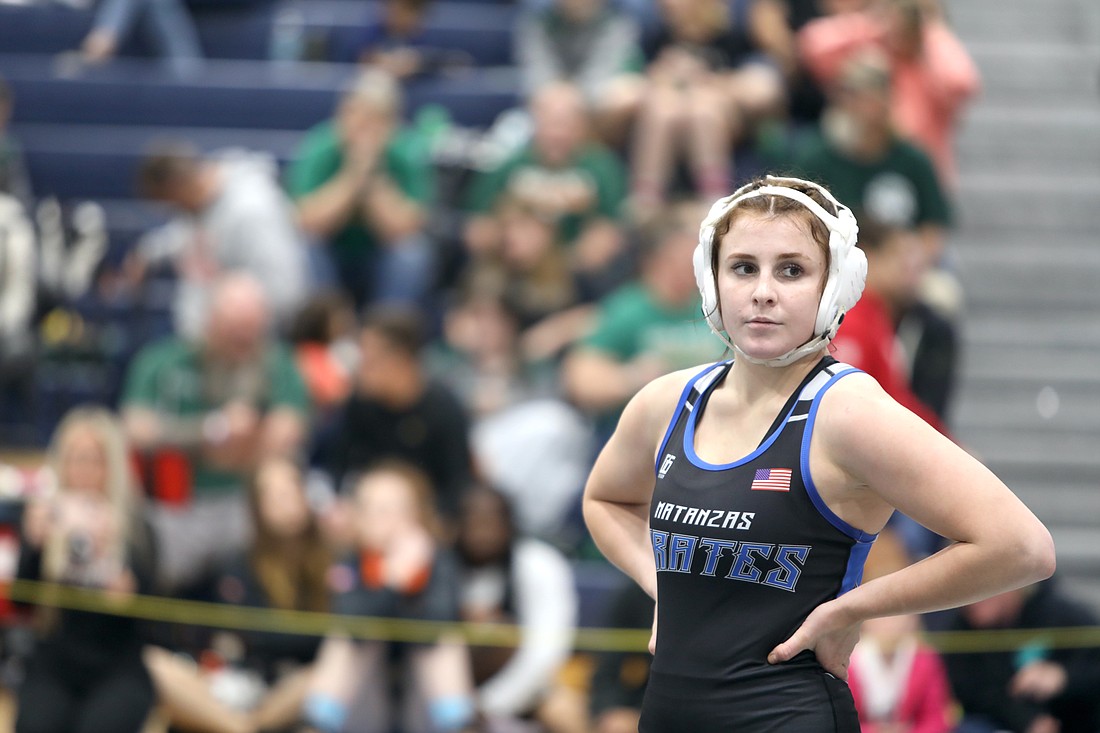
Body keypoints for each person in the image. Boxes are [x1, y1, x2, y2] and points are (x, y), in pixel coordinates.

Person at [581, 174, 1054, 731]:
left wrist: (854, 607)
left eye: (791, 270)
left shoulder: (849, 414)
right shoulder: (668, 402)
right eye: (743, 268)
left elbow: (1022, 548)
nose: (763, 291)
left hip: (789, 715)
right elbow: (605, 500)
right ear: (711, 282)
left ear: (835, 288)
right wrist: (659, 583)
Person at [120, 273, 311, 593]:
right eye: (233, 327)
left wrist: (194, 446)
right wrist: (210, 431)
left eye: (251, 328)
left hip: (245, 502)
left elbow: (286, 433)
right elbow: (135, 429)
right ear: (210, 321)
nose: (243, 338)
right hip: (175, 505)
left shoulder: (279, 364)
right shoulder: (164, 361)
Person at [142, 455, 332, 733]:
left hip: (294, 690)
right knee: (155, 663)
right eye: (274, 495)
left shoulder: (330, 566)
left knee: (327, 671)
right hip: (238, 680)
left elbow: (333, 641)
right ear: (257, 506)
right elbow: (228, 628)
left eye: (291, 490)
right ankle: (243, 727)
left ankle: (249, 726)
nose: (286, 502)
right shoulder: (238, 565)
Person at [14, 407, 158, 733]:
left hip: (118, 666)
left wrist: (129, 592)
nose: (84, 471)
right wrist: (35, 548)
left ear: (113, 467)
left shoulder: (137, 529)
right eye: (76, 459)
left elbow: (157, 623)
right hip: (55, 663)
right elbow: (21, 604)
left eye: (96, 460)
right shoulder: (45, 519)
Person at [304, 462, 476, 733]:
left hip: (423, 703)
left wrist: (414, 574)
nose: (385, 520)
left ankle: (458, 726)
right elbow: (352, 625)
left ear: (416, 513)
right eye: (375, 509)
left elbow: (439, 623)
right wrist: (392, 580)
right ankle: (316, 726)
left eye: (396, 509)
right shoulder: (351, 563)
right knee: (346, 640)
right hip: (364, 703)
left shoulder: (439, 560)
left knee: (446, 642)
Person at [127, 142, 311, 339]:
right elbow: (184, 233)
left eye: (172, 204)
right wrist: (146, 253)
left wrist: (237, 322)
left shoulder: (252, 210)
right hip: (205, 340)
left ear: (177, 186)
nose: (172, 212)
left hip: (247, 342)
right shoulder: (198, 203)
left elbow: (285, 292)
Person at [286, 68, 436, 310]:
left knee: (412, 254)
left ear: (392, 124)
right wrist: (352, 178)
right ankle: (326, 325)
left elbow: (405, 228)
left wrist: (373, 180)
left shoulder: (408, 153)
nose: (362, 126)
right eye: (355, 114)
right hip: (332, 253)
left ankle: (385, 327)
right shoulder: (319, 147)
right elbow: (307, 221)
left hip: (380, 256)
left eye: (374, 119)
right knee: (305, 248)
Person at [316, 305, 474, 521]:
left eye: (369, 360)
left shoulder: (444, 410)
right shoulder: (360, 404)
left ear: (400, 359)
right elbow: (337, 467)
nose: (360, 369)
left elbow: (457, 487)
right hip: (367, 515)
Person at [454, 485, 578, 729]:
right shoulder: (442, 565)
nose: (482, 533)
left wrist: (489, 703)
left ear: (509, 524)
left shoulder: (539, 564)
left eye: (490, 521)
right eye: (473, 522)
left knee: (563, 708)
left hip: (527, 691)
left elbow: (546, 653)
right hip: (454, 692)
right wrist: (458, 703)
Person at [941, 580, 1100, 733]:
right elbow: (968, 690)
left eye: (981, 590)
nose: (972, 602)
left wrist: (1064, 676)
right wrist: (1026, 719)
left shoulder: (1059, 614)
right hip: (1001, 724)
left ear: (1011, 585)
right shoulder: (961, 629)